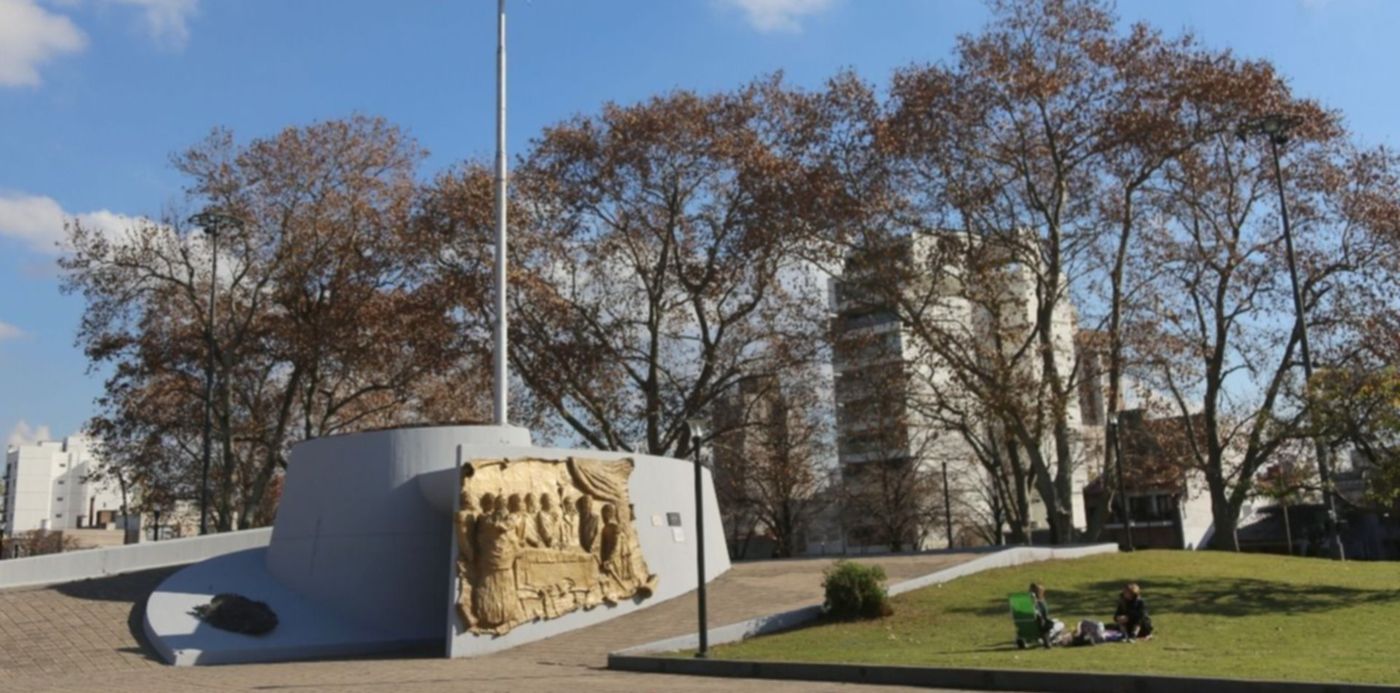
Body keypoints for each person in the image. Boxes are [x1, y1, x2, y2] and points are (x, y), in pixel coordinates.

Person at [1028, 582, 1063, 647]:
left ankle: (1049, 639)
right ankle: (1048, 638)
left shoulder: (1026, 605)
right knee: (1061, 624)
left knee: (1055, 620)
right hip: (1041, 628)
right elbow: (1044, 617)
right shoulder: (1040, 603)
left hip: (1029, 626)